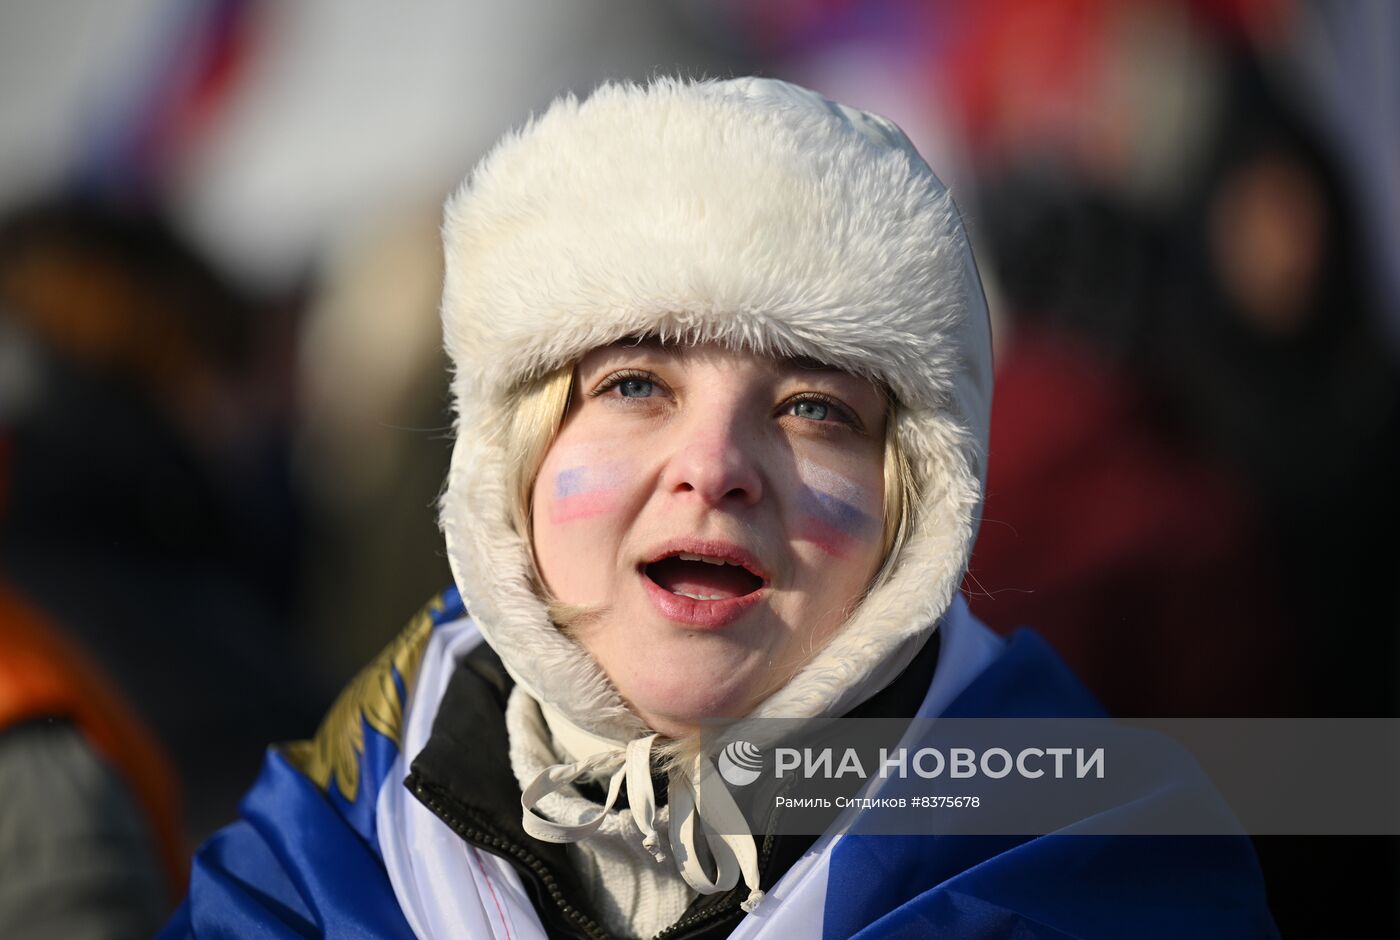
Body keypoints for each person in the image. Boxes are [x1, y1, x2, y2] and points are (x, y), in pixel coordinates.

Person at [160, 77, 1278, 938]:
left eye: (810, 409)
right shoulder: (320, 847)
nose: (715, 466)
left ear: (914, 505)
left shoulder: (1098, 865)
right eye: (634, 385)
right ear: (515, 462)